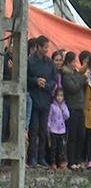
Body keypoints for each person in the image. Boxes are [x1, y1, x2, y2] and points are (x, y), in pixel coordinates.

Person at [27, 36, 56, 167]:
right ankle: (32, 157)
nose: (46, 50)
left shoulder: (50, 63)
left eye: (47, 47)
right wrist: (35, 81)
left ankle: (41, 157)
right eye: (44, 47)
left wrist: (47, 85)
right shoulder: (30, 61)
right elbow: (25, 78)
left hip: (45, 99)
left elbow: (53, 80)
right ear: (38, 47)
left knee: (43, 131)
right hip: (33, 99)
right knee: (33, 130)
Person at [62, 51, 87, 169]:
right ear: (68, 62)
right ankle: (71, 160)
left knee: (81, 135)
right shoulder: (65, 75)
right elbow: (73, 87)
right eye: (73, 61)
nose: (75, 64)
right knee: (72, 136)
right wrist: (82, 80)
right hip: (72, 107)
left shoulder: (76, 73)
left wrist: (81, 79)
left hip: (80, 108)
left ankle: (78, 159)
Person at [47, 87, 69, 169]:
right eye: (58, 95)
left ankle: (61, 162)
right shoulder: (52, 106)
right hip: (53, 130)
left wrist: (63, 109)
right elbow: (49, 117)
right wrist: (48, 127)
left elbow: (67, 116)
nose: (59, 97)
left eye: (61, 96)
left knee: (61, 148)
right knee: (53, 148)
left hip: (62, 130)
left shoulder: (64, 106)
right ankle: (53, 162)